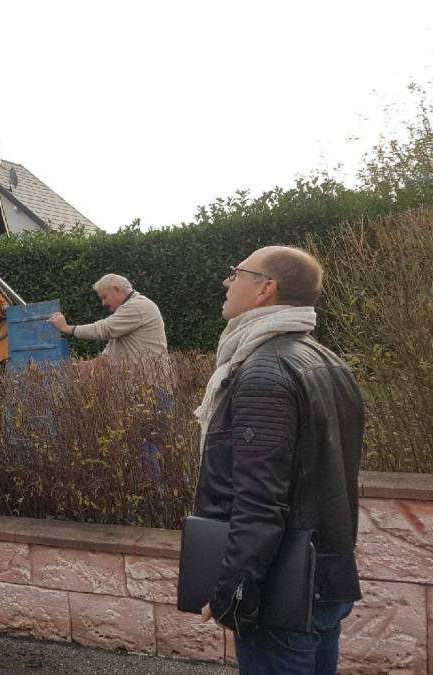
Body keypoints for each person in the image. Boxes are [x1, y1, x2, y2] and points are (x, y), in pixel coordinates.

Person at [192, 246, 364, 674]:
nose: (227, 282)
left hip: (282, 593)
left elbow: (258, 497)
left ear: (266, 289)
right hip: (322, 580)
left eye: (237, 272)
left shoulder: (263, 372)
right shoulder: (324, 359)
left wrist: (233, 589)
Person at [49, 274, 167, 359]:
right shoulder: (129, 310)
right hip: (144, 384)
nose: (103, 303)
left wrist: (66, 328)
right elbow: (111, 349)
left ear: (117, 290)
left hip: (152, 387)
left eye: (104, 297)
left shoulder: (137, 306)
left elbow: (103, 329)